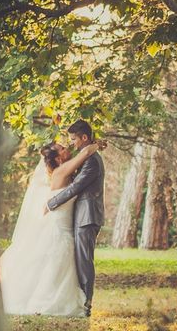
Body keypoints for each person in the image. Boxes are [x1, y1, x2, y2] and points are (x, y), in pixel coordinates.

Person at [0, 138, 103, 316]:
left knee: (59, 260)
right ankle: (48, 300)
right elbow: (84, 153)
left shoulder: (65, 170)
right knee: (55, 257)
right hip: (59, 225)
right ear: (57, 159)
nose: (66, 148)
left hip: (65, 223)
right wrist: (97, 144)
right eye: (61, 149)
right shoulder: (61, 171)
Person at [44, 119, 105, 317]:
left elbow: (75, 187)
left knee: (84, 261)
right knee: (81, 260)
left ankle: (86, 304)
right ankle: (82, 302)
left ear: (84, 138)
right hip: (82, 215)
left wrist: (51, 203)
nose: (71, 143)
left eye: (73, 139)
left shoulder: (91, 161)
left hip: (87, 216)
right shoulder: (87, 156)